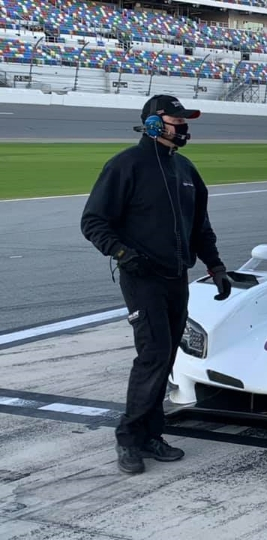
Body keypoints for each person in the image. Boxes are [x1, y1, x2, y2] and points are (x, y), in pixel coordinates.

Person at [80, 94, 232, 474]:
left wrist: (216, 267)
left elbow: (200, 228)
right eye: (175, 119)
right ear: (152, 123)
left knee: (165, 357)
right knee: (153, 354)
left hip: (175, 278)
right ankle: (129, 439)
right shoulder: (125, 165)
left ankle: (152, 435)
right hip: (141, 278)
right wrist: (121, 253)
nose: (183, 125)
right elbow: (94, 221)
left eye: (185, 120)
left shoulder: (186, 170)